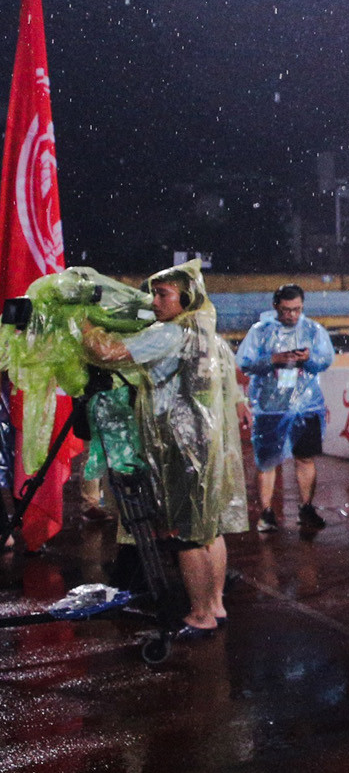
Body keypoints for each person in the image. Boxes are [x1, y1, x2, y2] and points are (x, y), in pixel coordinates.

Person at [80, 261, 250, 638]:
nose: (154, 302)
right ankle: (215, 605)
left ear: (186, 298)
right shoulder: (207, 334)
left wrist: (85, 324)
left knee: (185, 536)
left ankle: (200, 615)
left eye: (162, 294)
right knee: (209, 529)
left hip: (179, 446)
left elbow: (108, 352)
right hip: (206, 443)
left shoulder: (169, 333)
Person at [235, 283, 334, 532]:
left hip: (306, 407)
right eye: (286, 310)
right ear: (276, 306)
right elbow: (245, 363)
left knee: (305, 458)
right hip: (270, 407)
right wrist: (273, 359)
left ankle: (306, 507)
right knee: (267, 462)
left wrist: (308, 358)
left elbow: (325, 361)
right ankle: (266, 513)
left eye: (297, 309)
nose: (291, 315)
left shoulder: (313, 330)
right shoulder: (260, 331)